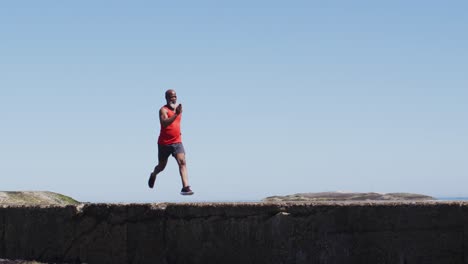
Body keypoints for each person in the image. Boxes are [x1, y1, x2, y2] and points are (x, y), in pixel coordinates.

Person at [148, 89, 193, 195]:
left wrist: (177, 112)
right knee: (161, 166)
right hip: (164, 143)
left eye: (175, 96)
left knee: (182, 162)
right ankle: (154, 174)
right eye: (171, 97)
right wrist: (175, 114)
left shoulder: (178, 109)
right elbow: (164, 123)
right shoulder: (163, 110)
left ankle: (185, 187)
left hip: (177, 141)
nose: (173, 98)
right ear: (166, 98)